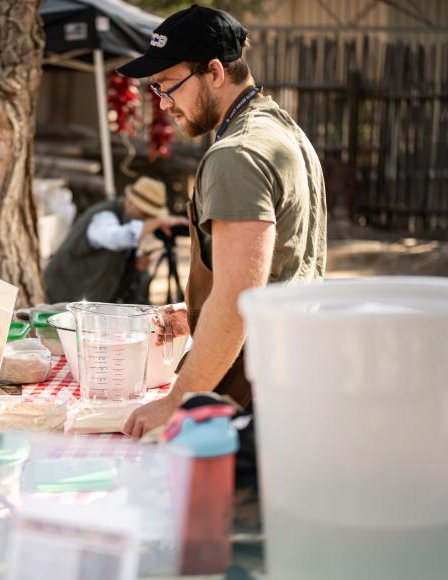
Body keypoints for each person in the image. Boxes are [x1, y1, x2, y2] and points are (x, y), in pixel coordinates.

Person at [118, 6, 327, 437]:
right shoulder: (284, 131)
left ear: (214, 71)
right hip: (291, 373)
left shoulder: (236, 154)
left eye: (167, 86)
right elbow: (278, 269)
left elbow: (237, 301)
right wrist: (197, 312)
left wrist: (176, 401)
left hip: (254, 393)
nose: (164, 103)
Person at [43, 176, 188, 304]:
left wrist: (136, 268)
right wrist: (156, 222)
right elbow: (118, 238)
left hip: (85, 308)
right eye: (145, 213)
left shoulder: (132, 225)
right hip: (58, 302)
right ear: (129, 202)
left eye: (152, 216)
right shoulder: (104, 217)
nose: (147, 220)